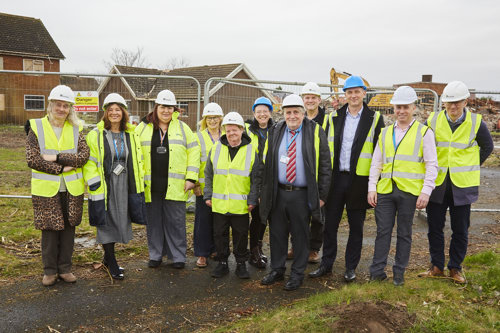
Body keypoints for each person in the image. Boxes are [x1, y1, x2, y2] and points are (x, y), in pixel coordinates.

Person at [309, 76, 385, 282]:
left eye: (357, 92)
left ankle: (351, 267)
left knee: (356, 227)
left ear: (363, 93)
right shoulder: (334, 117)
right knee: (330, 225)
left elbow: (380, 152)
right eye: (349, 92)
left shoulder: (375, 118)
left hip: (359, 180)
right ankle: (327, 264)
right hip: (335, 179)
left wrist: (374, 183)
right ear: (345, 95)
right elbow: (325, 150)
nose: (353, 96)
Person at [419, 81, 493, 284]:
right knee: (434, 227)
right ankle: (436, 266)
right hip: (438, 183)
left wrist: (472, 164)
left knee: (460, 229)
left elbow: (487, 146)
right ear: (444, 103)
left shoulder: (476, 122)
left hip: (463, 185)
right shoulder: (433, 120)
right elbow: (423, 146)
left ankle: (455, 268)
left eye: (457, 103)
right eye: (449, 103)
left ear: (465, 101)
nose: (452, 107)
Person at [259, 94, 331, 291]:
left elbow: (325, 164)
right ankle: (277, 269)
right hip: (278, 192)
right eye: (288, 112)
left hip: (302, 193)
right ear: (283, 114)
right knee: (277, 233)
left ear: (302, 113)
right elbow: (265, 163)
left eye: (296, 112)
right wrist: (263, 192)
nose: (292, 116)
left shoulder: (315, 131)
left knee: (300, 235)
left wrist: (322, 196)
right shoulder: (276, 130)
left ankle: (297, 274)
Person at [367, 86, 438, 286]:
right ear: (393, 109)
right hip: (386, 190)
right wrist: (372, 187)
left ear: (413, 107)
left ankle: (399, 274)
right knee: (382, 231)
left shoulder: (424, 133)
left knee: (404, 233)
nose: (401, 111)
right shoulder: (385, 132)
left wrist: (426, 191)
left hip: (410, 192)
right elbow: (376, 162)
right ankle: (377, 271)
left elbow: (432, 164)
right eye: (398, 107)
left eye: (405, 107)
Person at [25, 85, 89, 286]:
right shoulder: (36, 127)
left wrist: (56, 157)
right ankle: (50, 271)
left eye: (66, 106)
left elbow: (84, 156)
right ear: (50, 105)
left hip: (72, 189)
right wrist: (61, 169)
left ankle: (65, 269)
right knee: (50, 230)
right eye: (58, 105)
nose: (61, 109)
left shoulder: (76, 129)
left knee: (69, 229)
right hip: (47, 189)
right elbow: (32, 159)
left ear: (70, 109)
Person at [83, 93, 147, 280]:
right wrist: (94, 181)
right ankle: (112, 261)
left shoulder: (131, 134)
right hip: (105, 184)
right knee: (106, 220)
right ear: (105, 113)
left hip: (125, 184)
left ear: (123, 112)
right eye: (110, 110)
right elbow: (90, 162)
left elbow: (137, 158)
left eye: (117, 109)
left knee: (119, 220)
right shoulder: (96, 134)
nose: (114, 113)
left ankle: (106, 259)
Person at [136, 89, 200, 269]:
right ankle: (156, 255)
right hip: (150, 184)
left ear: (175, 109)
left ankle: (178, 256)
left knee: (176, 222)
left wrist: (191, 178)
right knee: (154, 222)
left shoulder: (182, 128)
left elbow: (194, 152)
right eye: (163, 107)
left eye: (170, 108)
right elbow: (134, 152)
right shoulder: (142, 127)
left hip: (176, 185)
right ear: (156, 107)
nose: (166, 111)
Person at [203, 112, 260, 279]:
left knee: (241, 236)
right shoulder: (216, 149)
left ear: (242, 130)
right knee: (219, 235)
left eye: (234, 130)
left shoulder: (251, 150)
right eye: (228, 131)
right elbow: (208, 174)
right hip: (219, 204)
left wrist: (252, 199)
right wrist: (208, 195)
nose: (231, 134)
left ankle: (241, 264)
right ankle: (222, 264)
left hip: (240, 205)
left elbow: (256, 178)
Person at [289, 82, 327, 264]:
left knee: (317, 215)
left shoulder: (327, 121)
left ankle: (313, 248)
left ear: (319, 100)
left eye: (313, 97)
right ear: (303, 100)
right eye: (307, 97)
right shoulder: (297, 120)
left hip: (318, 174)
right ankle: (295, 246)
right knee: (296, 215)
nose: (310, 100)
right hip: (298, 176)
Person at [193, 102, 224, 268]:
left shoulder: (227, 135)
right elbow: (194, 161)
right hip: (204, 187)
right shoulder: (198, 137)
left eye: (216, 118)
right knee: (202, 221)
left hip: (223, 188)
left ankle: (215, 249)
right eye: (209, 118)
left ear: (221, 119)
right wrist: (196, 184)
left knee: (219, 222)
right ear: (205, 119)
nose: (213, 121)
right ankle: (202, 253)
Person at [245, 97, 275, 268]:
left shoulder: (277, 129)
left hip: (270, 179)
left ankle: (259, 248)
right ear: (254, 113)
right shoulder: (248, 131)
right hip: (252, 180)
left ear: (270, 112)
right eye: (259, 111)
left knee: (266, 216)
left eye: (265, 111)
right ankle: (253, 251)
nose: (262, 114)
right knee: (256, 216)